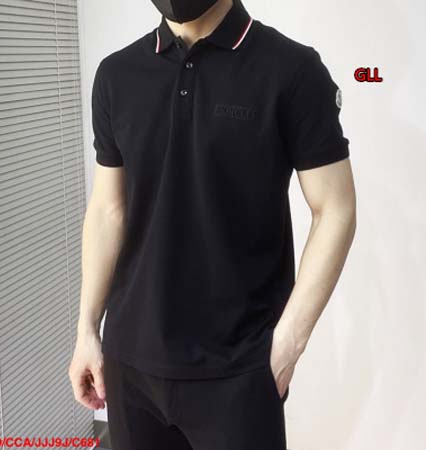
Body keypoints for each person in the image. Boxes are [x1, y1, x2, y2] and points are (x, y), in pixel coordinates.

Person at [68, 0, 356, 448]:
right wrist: (87, 328)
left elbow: (335, 208)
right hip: (130, 366)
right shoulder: (116, 75)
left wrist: (287, 345)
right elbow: (109, 209)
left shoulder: (292, 70)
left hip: (238, 371)